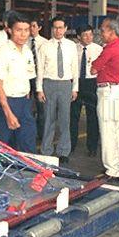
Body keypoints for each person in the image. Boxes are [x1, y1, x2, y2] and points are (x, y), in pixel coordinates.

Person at [0, 11, 37, 153]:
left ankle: (29, 174)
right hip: (6, 103)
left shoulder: (28, 51)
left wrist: (27, 102)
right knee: (2, 147)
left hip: (24, 103)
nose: (23, 34)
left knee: (28, 142)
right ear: (9, 30)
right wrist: (8, 113)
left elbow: (28, 78)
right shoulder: (3, 53)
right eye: (18, 30)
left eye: (26, 30)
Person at [36, 16, 78, 163]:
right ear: (52, 29)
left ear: (65, 29)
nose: (58, 30)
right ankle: (46, 150)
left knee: (65, 119)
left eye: (61, 27)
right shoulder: (45, 46)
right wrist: (39, 89)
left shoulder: (72, 46)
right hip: (49, 84)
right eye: (55, 27)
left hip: (66, 84)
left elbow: (75, 68)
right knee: (49, 118)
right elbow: (40, 69)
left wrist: (75, 88)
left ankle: (63, 151)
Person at [91, 18, 119, 182]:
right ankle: (117, 165)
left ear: (112, 31)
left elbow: (94, 67)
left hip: (108, 91)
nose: (101, 33)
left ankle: (111, 170)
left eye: (103, 30)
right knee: (113, 130)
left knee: (107, 130)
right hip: (115, 90)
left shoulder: (110, 49)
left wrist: (98, 65)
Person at [70, 26, 102, 157]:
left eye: (90, 34)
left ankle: (92, 147)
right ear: (78, 37)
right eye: (85, 35)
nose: (89, 37)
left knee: (92, 116)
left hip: (92, 83)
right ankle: (71, 144)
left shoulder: (99, 49)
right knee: (73, 116)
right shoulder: (73, 49)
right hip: (76, 83)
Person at [29, 19, 47, 139]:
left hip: (40, 78)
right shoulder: (24, 42)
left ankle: (41, 134)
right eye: (30, 26)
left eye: (34, 26)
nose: (31, 28)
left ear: (39, 27)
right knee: (27, 107)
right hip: (27, 78)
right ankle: (30, 132)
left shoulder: (45, 43)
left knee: (42, 108)